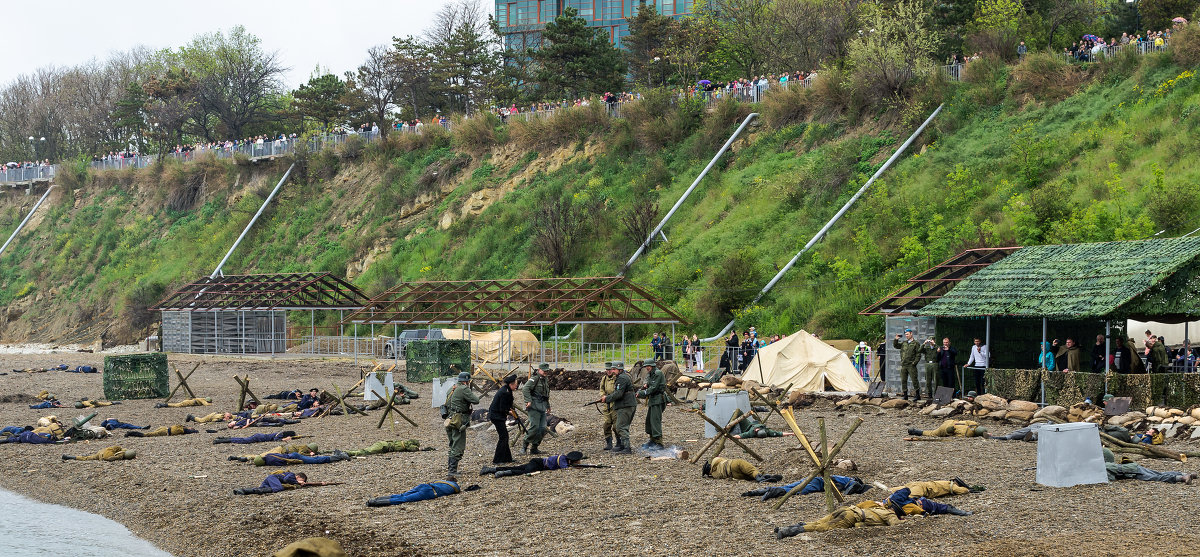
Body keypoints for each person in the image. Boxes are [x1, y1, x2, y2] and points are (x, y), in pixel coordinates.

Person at [444, 371, 480, 478]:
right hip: (458, 420)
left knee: (452, 443)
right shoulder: (464, 389)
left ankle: (451, 468)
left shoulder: (452, 388)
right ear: (467, 381)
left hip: (450, 418)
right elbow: (476, 400)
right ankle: (452, 470)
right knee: (458, 445)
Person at [601, 361, 636, 454]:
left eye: (614, 369)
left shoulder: (622, 378)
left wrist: (607, 398)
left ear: (619, 369)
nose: (612, 371)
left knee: (621, 426)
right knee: (621, 426)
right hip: (626, 404)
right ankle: (622, 445)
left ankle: (626, 448)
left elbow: (618, 393)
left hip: (625, 405)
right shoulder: (623, 376)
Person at [1104, 447, 1195, 483]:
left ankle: (1182, 478)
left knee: (1156, 477)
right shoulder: (1107, 463)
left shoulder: (1103, 468)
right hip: (1133, 466)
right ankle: (1183, 474)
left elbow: (1111, 478)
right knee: (1158, 473)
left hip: (1132, 472)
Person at [743, 475, 870, 501]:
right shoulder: (852, 482)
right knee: (799, 490)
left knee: (792, 485)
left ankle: (763, 490)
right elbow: (848, 493)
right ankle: (777, 491)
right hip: (819, 483)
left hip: (815, 478)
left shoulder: (846, 478)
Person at [366, 479, 480, 506]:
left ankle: (376, 499)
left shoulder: (445, 482)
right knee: (403, 499)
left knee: (402, 495)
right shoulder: (456, 489)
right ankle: (374, 503)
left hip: (426, 485)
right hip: (430, 493)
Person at [479, 451, 587, 477]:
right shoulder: (563, 459)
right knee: (524, 471)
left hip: (539, 463)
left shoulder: (565, 459)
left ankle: (491, 469)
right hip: (539, 463)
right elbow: (565, 468)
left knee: (518, 467)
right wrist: (576, 468)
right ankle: (503, 473)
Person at [487, 374, 518, 464]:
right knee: (503, 437)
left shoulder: (507, 390)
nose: (517, 386)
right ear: (511, 384)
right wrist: (509, 412)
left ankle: (507, 458)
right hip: (496, 416)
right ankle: (497, 460)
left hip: (498, 416)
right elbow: (502, 408)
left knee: (505, 437)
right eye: (515, 384)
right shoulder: (505, 392)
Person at [521, 363, 551, 455]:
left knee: (543, 428)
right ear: (539, 370)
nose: (545, 372)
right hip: (533, 407)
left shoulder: (545, 380)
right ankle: (524, 446)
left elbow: (545, 395)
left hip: (542, 406)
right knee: (534, 427)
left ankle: (534, 447)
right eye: (544, 370)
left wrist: (548, 405)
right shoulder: (534, 379)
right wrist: (528, 401)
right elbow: (525, 389)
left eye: (547, 370)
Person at [639, 360, 668, 449]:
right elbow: (647, 378)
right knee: (649, 420)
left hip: (658, 399)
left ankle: (659, 442)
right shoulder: (651, 373)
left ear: (652, 366)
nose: (647, 368)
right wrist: (645, 384)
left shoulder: (658, 373)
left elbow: (654, 388)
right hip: (653, 399)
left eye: (649, 366)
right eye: (646, 366)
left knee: (655, 421)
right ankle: (652, 440)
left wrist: (642, 393)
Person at [893, 330, 926, 400]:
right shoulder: (904, 343)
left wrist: (915, 362)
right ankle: (905, 395)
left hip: (911, 365)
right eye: (905, 334)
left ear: (911, 334)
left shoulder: (916, 343)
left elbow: (918, 354)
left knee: (914, 380)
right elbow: (896, 346)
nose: (906, 336)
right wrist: (896, 339)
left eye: (907, 334)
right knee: (903, 380)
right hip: (904, 365)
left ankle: (917, 395)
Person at [700, 457, 782, 482]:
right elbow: (720, 458)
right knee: (751, 470)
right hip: (734, 464)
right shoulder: (715, 461)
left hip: (733, 474)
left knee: (748, 476)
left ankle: (764, 478)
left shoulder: (715, 475)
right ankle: (760, 477)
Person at [599, 362, 618, 451]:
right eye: (607, 370)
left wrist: (610, 397)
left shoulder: (616, 378)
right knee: (606, 425)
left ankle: (619, 442)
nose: (608, 371)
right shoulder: (604, 378)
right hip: (607, 405)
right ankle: (609, 443)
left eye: (610, 369)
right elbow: (602, 389)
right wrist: (603, 395)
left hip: (615, 404)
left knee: (616, 426)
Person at [907, 420, 989, 438]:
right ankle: (915, 431)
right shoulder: (968, 433)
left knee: (931, 432)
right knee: (931, 433)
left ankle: (914, 431)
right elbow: (956, 436)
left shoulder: (973, 424)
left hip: (949, 422)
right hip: (946, 429)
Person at [345, 439, 425, 457]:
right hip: (383, 446)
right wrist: (419, 449)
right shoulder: (407, 444)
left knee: (365, 450)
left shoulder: (404, 442)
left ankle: (347, 452)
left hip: (383, 444)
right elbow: (411, 448)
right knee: (365, 452)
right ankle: (347, 453)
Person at [212, 431, 298, 444]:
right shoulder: (280, 434)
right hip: (260, 438)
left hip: (259, 436)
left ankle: (223, 438)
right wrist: (283, 440)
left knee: (242, 439)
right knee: (243, 441)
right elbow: (276, 439)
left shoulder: (280, 432)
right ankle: (222, 440)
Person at [62, 446, 136, 461]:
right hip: (104, 456)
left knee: (87, 458)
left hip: (101, 452)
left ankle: (70, 457)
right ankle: (71, 457)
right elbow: (115, 457)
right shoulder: (122, 454)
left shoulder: (118, 448)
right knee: (88, 458)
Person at [125, 424, 197, 437]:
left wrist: (193, 431)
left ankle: (131, 433)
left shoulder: (182, 428)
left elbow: (191, 431)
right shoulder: (183, 429)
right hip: (164, 430)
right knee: (147, 434)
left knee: (148, 434)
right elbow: (191, 431)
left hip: (164, 429)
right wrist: (194, 431)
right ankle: (130, 433)